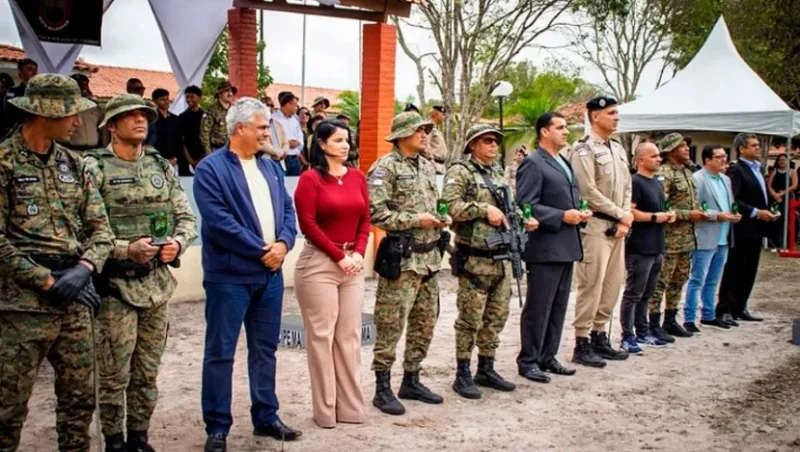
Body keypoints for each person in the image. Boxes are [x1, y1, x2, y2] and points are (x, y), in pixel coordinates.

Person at [0, 73, 113, 451]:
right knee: (7, 408)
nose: (78, 122)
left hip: (74, 299)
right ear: (43, 114)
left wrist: (84, 270)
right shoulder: (4, 162)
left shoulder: (76, 165)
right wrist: (47, 281)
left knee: (80, 402)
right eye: (70, 114)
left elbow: (102, 231)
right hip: (20, 307)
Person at [83, 93, 198, 451]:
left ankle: (139, 438)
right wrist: (124, 250)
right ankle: (114, 441)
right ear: (111, 126)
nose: (140, 120)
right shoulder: (94, 166)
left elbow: (186, 217)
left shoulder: (161, 165)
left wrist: (177, 243)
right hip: (115, 286)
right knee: (114, 373)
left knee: (147, 372)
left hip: (156, 286)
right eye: (129, 116)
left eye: (144, 115)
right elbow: (80, 229)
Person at [194, 98, 300, 452]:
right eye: (260, 127)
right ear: (239, 128)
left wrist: (284, 243)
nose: (266, 133)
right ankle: (218, 426)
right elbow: (219, 222)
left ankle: (266, 415)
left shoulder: (271, 168)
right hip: (229, 278)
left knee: (265, 349)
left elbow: (288, 209)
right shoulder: (211, 169)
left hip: (271, 277)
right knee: (221, 351)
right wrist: (263, 251)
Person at [443, 124, 538, 398]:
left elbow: (511, 206)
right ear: (473, 145)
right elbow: (451, 208)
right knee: (470, 319)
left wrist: (523, 219)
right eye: (487, 141)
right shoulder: (460, 171)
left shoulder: (498, 172)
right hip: (476, 259)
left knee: (496, 316)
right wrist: (484, 209)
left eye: (496, 141)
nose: (494, 145)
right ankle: (462, 372)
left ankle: (486, 366)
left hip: (503, 258)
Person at [367, 111, 448, 415]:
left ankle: (411, 379)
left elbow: (431, 203)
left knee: (425, 322)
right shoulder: (384, 168)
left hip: (429, 258)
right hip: (402, 258)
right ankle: (382, 387)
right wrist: (417, 219)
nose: (425, 135)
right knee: (391, 323)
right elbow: (376, 213)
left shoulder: (427, 166)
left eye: (427, 130)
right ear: (402, 135)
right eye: (419, 130)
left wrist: (440, 218)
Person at [293, 119, 370, 428]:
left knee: (349, 337)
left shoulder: (357, 177)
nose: (346, 145)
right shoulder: (310, 180)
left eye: (347, 140)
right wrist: (340, 256)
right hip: (319, 264)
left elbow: (366, 219)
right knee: (321, 338)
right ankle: (325, 412)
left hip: (352, 263)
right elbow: (307, 225)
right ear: (322, 144)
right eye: (338, 140)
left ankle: (350, 409)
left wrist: (358, 254)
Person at [516, 112, 588, 379]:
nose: (565, 131)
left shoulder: (563, 161)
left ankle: (548, 356)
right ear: (544, 132)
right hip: (544, 245)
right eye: (559, 127)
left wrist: (579, 212)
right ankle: (529, 360)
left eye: (566, 127)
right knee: (539, 306)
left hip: (566, 243)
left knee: (558, 305)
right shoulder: (534, 163)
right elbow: (526, 205)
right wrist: (560, 216)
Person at [569, 96, 631, 367]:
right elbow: (587, 191)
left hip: (618, 226)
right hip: (595, 225)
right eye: (611, 113)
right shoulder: (584, 149)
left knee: (612, 284)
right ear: (595, 116)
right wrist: (620, 214)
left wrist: (624, 217)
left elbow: (627, 186)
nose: (616, 117)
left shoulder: (617, 148)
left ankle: (600, 335)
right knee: (591, 284)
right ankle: (582, 341)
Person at [647, 133, 708, 341]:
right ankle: (652, 323)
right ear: (671, 150)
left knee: (678, 280)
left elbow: (691, 202)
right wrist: (686, 215)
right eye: (682, 146)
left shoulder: (688, 173)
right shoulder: (664, 174)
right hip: (669, 239)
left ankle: (670, 319)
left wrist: (698, 212)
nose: (687, 149)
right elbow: (659, 205)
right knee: (660, 282)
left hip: (687, 238)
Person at [716, 133, 779, 325]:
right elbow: (734, 198)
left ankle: (740, 306)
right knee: (735, 268)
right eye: (753, 145)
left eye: (758, 145)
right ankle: (725, 308)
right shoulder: (737, 169)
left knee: (750, 269)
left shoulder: (757, 169)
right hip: (742, 227)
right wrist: (754, 212)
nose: (758, 148)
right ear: (742, 148)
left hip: (757, 228)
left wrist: (768, 211)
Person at [618, 142, 674, 355]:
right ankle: (627, 335)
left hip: (657, 245)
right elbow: (630, 213)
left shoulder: (657, 183)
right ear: (640, 160)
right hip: (640, 247)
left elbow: (659, 208)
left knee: (647, 292)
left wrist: (667, 215)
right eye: (654, 156)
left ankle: (643, 331)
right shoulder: (636, 182)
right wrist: (654, 217)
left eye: (659, 156)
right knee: (634, 292)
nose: (659, 159)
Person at [684, 145, 741, 332]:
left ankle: (708, 314)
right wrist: (718, 215)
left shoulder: (725, 179)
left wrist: (734, 214)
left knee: (713, 279)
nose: (724, 160)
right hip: (706, 234)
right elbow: (697, 208)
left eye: (724, 156)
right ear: (708, 160)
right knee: (697, 278)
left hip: (723, 236)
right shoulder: (698, 179)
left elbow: (730, 203)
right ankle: (689, 318)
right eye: (719, 157)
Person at [270, 91, 304, 176]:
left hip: (294, 158)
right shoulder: (273, 119)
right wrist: (287, 144)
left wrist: (298, 142)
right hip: (280, 159)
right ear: (288, 104)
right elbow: (271, 138)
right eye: (295, 105)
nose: (296, 108)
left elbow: (300, 135)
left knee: (295, 184)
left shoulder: (295, 120)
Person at [767, 153, 797, 247]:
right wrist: (775, 195)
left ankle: (786, 242)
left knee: (785, 219)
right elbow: (769, 185)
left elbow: (794, 185)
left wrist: (782, 193)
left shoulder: (792, 171)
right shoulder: (775, 171)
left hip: (787, 197)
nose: (782, 162)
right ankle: (775, 242)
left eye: (783, 160)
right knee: (775, 218)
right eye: (780, 160)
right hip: (775, 198)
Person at [67, 73, 103, 151]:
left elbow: (101, 127)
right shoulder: (66, 105)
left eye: (84, 85)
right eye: (79, 85)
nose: (82, 88)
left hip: (93, 150)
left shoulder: (94, 106)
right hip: (72, 150)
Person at [3, 58, 38, 135]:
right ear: (20, 73)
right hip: (17, 133)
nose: (34, 72)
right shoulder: (13, 92)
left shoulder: (40, 92)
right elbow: (10, 114)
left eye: (35, 69)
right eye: (29, 69)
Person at [200, 80, 235, 156]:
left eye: (231, 91)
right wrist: (209, 155)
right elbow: (204, 135)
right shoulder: (211, 111)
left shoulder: (235, 110)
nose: (230, 93)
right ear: (219, 94)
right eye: (227, 91)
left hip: (232, 150)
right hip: (216, 150)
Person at [178, 85, 205, 174]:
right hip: (186, 160)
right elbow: (181, 141)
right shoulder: (181, 117)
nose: (189, 100)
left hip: (204, 157)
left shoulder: (205, 116)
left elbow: (207, 138)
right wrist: (190, 160)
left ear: (199, 98)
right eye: (187, 97)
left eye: (192, 97)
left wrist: (201, 159)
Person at [152, 88, 182, 167]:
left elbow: (179, 140)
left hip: (174, 160)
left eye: (167, 99)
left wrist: (176, 158)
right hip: (156, 161)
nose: (166, 102)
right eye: (162, 99)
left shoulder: (175, 119)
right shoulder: (152, 119)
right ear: (155, 101)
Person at [424, 105, 448, 174]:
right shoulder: (429, 127)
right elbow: (425, 146)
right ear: (436, 114)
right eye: (443, 114)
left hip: (441, 165)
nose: (444, 117)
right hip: (434, 164)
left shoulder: (437, 129)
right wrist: (432, 162)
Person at [297, 107, 311, 171]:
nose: (304, 115)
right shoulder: (294, 131)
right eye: (301, 113)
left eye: (306, 114)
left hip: (310, 163)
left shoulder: (311, 131)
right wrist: (303, 160)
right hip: (298, 162)